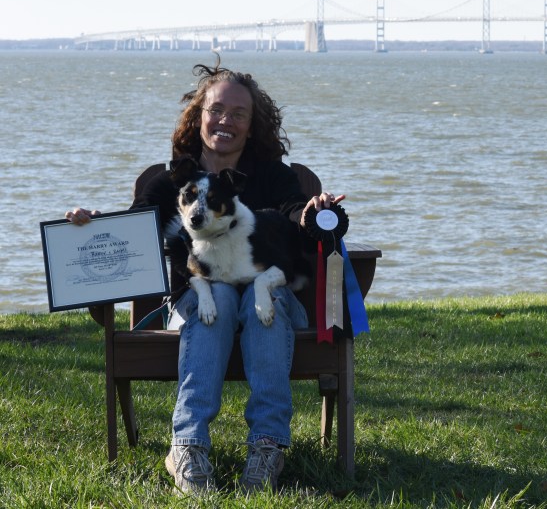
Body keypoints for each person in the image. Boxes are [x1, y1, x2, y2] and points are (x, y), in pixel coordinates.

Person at [66, 57, 344, 495]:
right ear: (199, 117)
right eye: (217, 110)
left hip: (270, 298)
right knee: (221, 297)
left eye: (239, 114)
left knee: (259, 301)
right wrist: (95, 224)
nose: (226, 121)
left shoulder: (273, 176)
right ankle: (188, 446)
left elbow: (295, 213)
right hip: (197, 302)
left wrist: (313, 214)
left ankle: (267, 447)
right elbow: (133, 231)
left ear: (252, 126)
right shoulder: (170, 182)